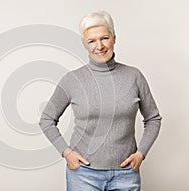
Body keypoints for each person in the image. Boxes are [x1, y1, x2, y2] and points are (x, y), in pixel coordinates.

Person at [39, 10, 162, 191]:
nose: (99, 46)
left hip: (126, 174)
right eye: (91, 41)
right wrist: (66, 152)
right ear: (85, 44)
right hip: (83, 175)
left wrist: (141, 154)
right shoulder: (73, 80)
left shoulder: (134, 76)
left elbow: (153, 118)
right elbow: (46, 119)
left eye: (104, 38)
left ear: (114, 38)